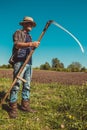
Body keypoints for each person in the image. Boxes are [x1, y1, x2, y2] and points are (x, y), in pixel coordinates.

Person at [9, 16, 40, 118]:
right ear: (24, 24)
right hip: (20, 61)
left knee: (27, 85)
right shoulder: (18, 32)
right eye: (29, 23)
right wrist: (31, 44)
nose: (30, 25)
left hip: (29, 63)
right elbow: (17, 44)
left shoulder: (29, 36)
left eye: (32, 24)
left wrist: (33, 46)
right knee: (16, 84)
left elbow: (29, 48)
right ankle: (13, 108)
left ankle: (25, 106)